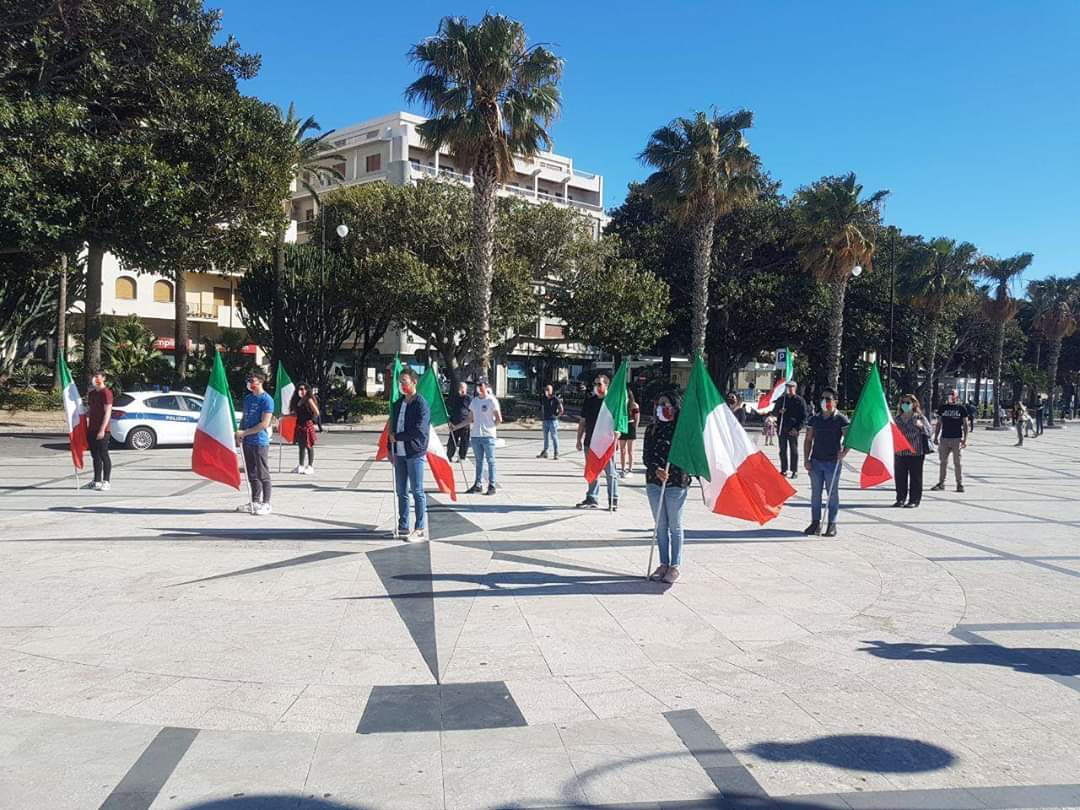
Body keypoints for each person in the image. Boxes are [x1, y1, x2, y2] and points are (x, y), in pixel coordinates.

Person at [644, 391, 691, 584]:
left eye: (667, 404)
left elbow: (688, 456)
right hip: (654, 483)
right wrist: (656, 470)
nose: (663, 407)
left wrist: (672, 471)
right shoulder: (651, 429)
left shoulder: (682, 431)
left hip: (676, 483)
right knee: (660, 526)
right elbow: (647, 457)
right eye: (660, 403)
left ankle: (674, 566)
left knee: (675, 526)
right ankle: (663, 563)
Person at [388, 369, 430, 540]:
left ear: (414, 382)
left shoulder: (420, 403)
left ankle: (419, 527)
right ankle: (403, 525)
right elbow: (391, 427)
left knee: (417, 490)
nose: (402, 385)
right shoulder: (398, 404)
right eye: (400, 382)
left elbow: (419, 429)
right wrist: (389, 447)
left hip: (414, 451)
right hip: (399, 453)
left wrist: (398, 437)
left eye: (404, 381)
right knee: (401, 490)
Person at [803, 387, 849, 537]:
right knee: (815, 494)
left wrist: (844, 453)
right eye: (823, 398)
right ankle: (815, 522)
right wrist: (806, 460)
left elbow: (848, 438)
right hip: (816, 461)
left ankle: (831, 524)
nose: (825, 401)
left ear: (835, 401)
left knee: (832, 494)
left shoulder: (840, 419)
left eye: (828, 399)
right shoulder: (814, 419)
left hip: (832, 463)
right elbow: (808, 439)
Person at [576, 373, 620, 509]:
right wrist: (579, 439)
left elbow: (618, 421)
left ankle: (613, 499)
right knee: (592, 470)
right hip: (590, 442)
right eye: (595, 384)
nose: (596, 386)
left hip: (606, 443)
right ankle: (592, 498)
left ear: (607, 385)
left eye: (599, 384)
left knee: (610, 472)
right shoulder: (590, 401)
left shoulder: (612, 402)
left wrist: (617, 436)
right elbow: (583, 421)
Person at [235, 370, 275, 515]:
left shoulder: (267, 400)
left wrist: (245, 433)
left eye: (252, 381)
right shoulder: (248, 399)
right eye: (249, 381)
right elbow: (245, 419)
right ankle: (255, 501)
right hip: (247, 442)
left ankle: (266, 503)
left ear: (260, 381)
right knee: (251, 473)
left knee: (262, 473)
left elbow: (264, 424)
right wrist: (239, 434)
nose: (250, 383)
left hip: (259, 442)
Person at [894, 394, 933, 508]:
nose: (905, 405)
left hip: (916, 452)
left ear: (914, 404)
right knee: (900, 477)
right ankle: (900, 498)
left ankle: (914, 500)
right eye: (903, 403)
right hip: (900, 452)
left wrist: (921, 427)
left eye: (907, 403)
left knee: (915, 477)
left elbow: (930, 432)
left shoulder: (919, 418)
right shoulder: (897, 419)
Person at [468, 378, 502, 495]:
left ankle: (492, 485)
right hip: (476, 435)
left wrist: (491, 427)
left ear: (486, 387)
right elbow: (470, 418)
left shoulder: (491, 400)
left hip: (488, 436)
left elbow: (499, 418)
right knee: (479, 461)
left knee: (491, 461)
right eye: (477, 386)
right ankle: (478, 484)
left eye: (481, 386)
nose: (479, 388)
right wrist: (456, 427)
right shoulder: (475, 401)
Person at [932, 388, 968, 493]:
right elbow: (939, 423)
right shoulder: (943, 408)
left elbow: (965, 424)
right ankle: (941, 483)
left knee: (957, 462)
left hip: (957, 438)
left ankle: (959, 484)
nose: (950, 395)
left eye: (952, 394)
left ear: (957, 396)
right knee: (943, 462)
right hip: (944, 438)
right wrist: (935, 437)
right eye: (949, 394)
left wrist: (965, 439)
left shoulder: (961, 408)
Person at [773, 382, 807, 478]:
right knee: (782, 450)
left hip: (793, 429)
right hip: (782, 428)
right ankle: (784, 470)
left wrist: (797, 429)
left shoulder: (800, 401)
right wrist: (779, 411)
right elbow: (774, 411)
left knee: (794, 450)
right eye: (788, 387)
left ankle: (794, 470)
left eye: (792, 387)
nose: (790, 389)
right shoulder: (782, 400)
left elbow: (804, 417)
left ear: (795, 388)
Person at [86, 370, 113, 491]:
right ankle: (96, 480)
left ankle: (106, 481)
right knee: (95, 455)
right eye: (93, 377)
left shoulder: (106, 393)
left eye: (97, 377)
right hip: (92, 428)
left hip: (103, 430)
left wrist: (102, 430)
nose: (95, 379)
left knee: (103, 454)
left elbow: (108, 412)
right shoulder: (92, 394)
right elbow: (89, 410)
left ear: (103, 378)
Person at [290, 382, 319, 475]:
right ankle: (301, 465)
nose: (302, 391)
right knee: (301, 446)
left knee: (309, 445)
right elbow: (294, 412)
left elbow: (317, 412)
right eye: (300, 389)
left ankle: (310, 466)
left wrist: (311, 418)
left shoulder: (309, 399)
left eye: (304, 389)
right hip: (299, 424)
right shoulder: (297, 400)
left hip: (307, 424)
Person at [538, 384, 564, 460]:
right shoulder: (544, 398)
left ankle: (556, 453)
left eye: (548, 389)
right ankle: (545, 452)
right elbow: (542, 407)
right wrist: (542, 417)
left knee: (554, 437)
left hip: (553, 421)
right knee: (545, 437)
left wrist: (557, 416)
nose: (546, 391)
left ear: (551, 391)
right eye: (546, 389)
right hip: (545, 420)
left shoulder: (555, 399)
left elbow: (561, 409)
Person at [447, 381, 471, 462]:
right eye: (460, 387)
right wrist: (449, 421)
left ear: (466, 389)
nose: (461, 389)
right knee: (452, 441)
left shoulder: (468, 398)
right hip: (454, 423)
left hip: (464, 424)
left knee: (464, 441)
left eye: (463, 388)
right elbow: (450, 410)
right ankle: (449, 455)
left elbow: (471, 411)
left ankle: (461, 457)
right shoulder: (455, 398)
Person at [618, 390, 640, 477]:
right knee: (622, 450)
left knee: (630, 450)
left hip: (630, 425)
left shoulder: (634, 405)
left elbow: (637, 418)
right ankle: (623, 468)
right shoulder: (621, 404)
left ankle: (630, 469)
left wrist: (635, 427)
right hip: (623, 426)